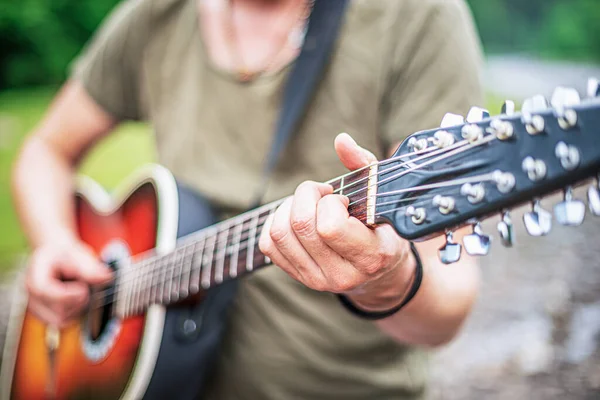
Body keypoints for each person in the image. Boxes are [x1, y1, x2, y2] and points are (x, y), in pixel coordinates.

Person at [12, 0, 484, 398]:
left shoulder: (415, 16)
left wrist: (386, 280)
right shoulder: (158, 14)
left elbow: (447, 311)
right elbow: (44, 152)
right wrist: (54, 240)